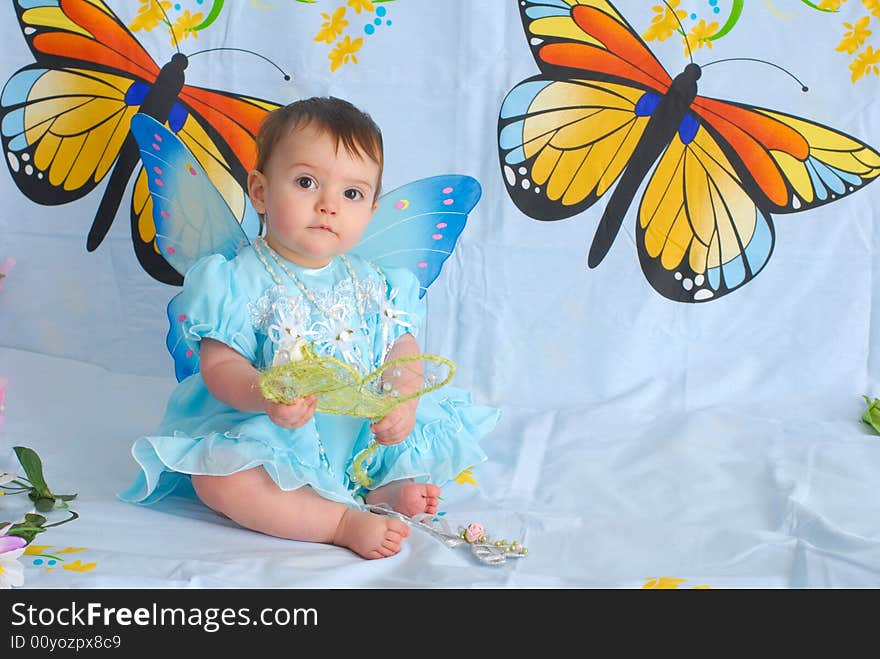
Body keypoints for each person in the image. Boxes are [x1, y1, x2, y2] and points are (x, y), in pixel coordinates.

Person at [119, 97, 500, 559]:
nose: (328, 206)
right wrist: (264, 393)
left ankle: (382, 490)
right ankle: (337, 520)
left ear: (372, 210)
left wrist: (404, 398)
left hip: (361, 435)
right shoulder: (237, 279)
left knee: (413, 441)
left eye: (352, 194)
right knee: (219, 480)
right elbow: (218, 363)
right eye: (306, 182)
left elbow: (402, 345)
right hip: (276, 436)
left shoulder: (375, 281)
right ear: (259, 192)